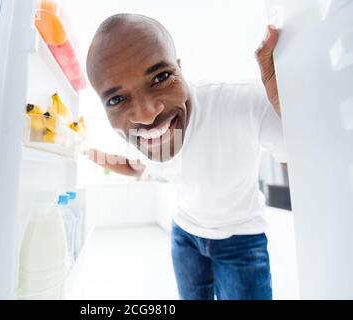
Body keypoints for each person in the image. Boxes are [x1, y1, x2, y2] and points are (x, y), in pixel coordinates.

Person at [86, 13, 286, 300]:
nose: (147, 114)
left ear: (180, 70)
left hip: (241, 240)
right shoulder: (144, 135)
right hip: (185, 235)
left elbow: (309, 162)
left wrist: (290, 109)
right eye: (117, 99)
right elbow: (134, 167)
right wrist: (83, 149)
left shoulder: (242, 103)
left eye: (160, 77)